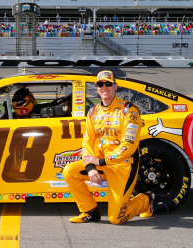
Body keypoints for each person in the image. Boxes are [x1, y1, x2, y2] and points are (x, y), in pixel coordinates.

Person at [63, 70, 153, 224]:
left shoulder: (129, 110)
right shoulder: (93, 112)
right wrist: (91, 167)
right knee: (70, 171)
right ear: (97, 88)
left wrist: (101, 162)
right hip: (103, 165)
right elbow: (87, 142)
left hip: (124, 167)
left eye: (108, 84)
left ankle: (146, 199)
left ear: (115, 86)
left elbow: (128, 146)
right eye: (100, 84)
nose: (104, 87)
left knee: (116, 219)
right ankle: (90, 211)